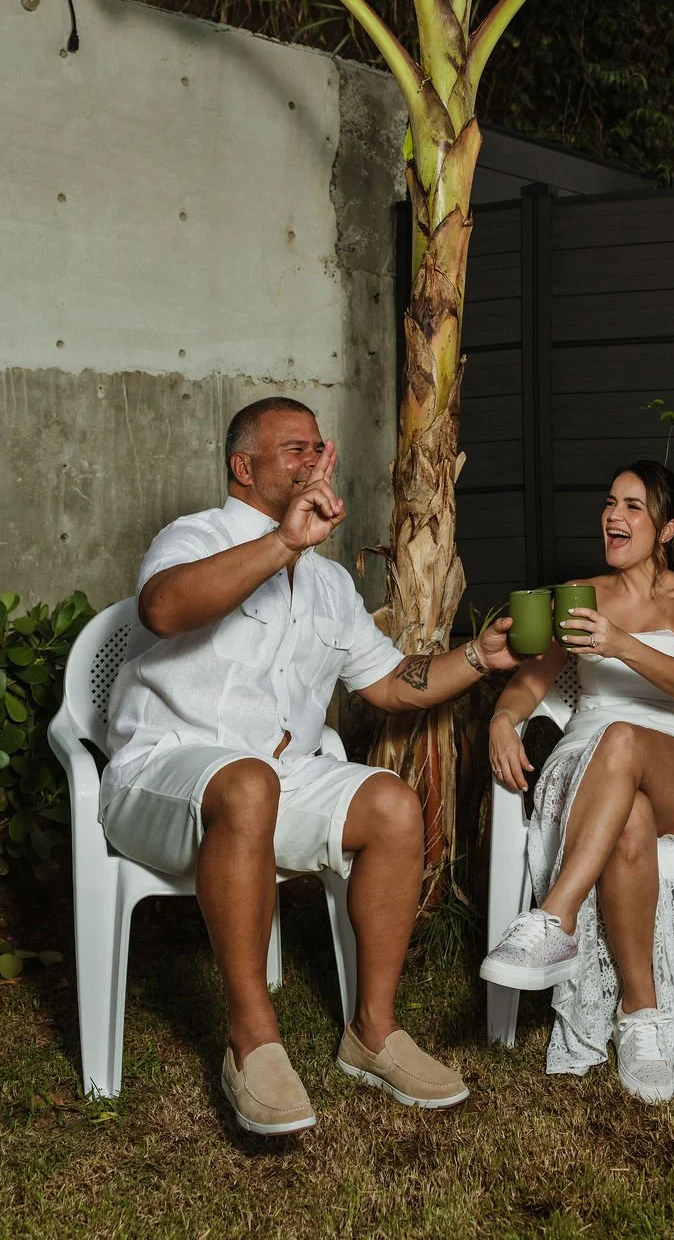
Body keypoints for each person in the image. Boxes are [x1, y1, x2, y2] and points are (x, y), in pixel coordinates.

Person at [101, 396, 518, 1135]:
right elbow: (163, 610)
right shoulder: (193, 536)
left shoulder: (328, 584)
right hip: (162, 775)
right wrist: (282, 544)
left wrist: (483, 654)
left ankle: (373, 1031)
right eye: (292, 449)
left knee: (391, 804)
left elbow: (392, 683)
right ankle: (252, 1039)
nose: (312, 459)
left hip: (272, 782)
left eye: (317, 447)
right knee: (248, 781)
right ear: (243, 466)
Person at [480, 461, 674, 1102]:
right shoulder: (581, 592)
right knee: (625, 810)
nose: (614, 516)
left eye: (633, 506)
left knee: (627, 739)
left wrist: (620, 643)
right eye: (610, 503)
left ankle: (555, 917)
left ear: (668, 527)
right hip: (585, 772)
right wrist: (502, 719)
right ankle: (641, 1018)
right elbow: (533, 679)